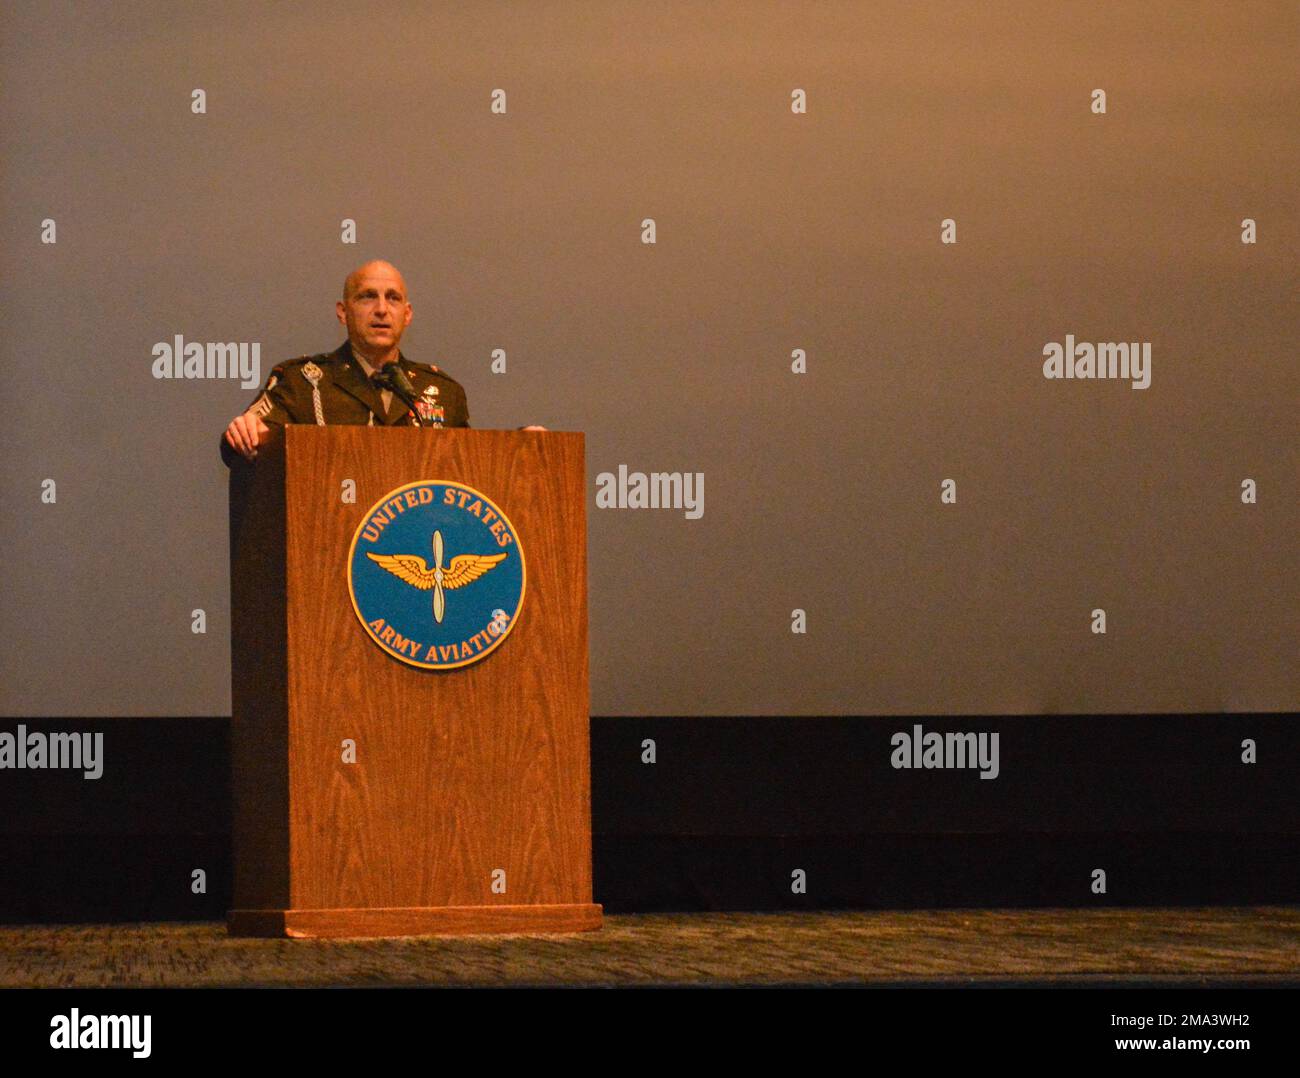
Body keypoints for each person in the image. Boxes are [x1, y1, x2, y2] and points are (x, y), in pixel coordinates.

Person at [221, 260, 541, 465]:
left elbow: (470, 466)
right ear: (343, 312)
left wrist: (521, 446)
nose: (381, 309)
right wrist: (246, 432)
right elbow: (243, 445)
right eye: (367, 296)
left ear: (408, 314)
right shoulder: (302, 382)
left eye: (393, 298)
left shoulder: (442, 390)